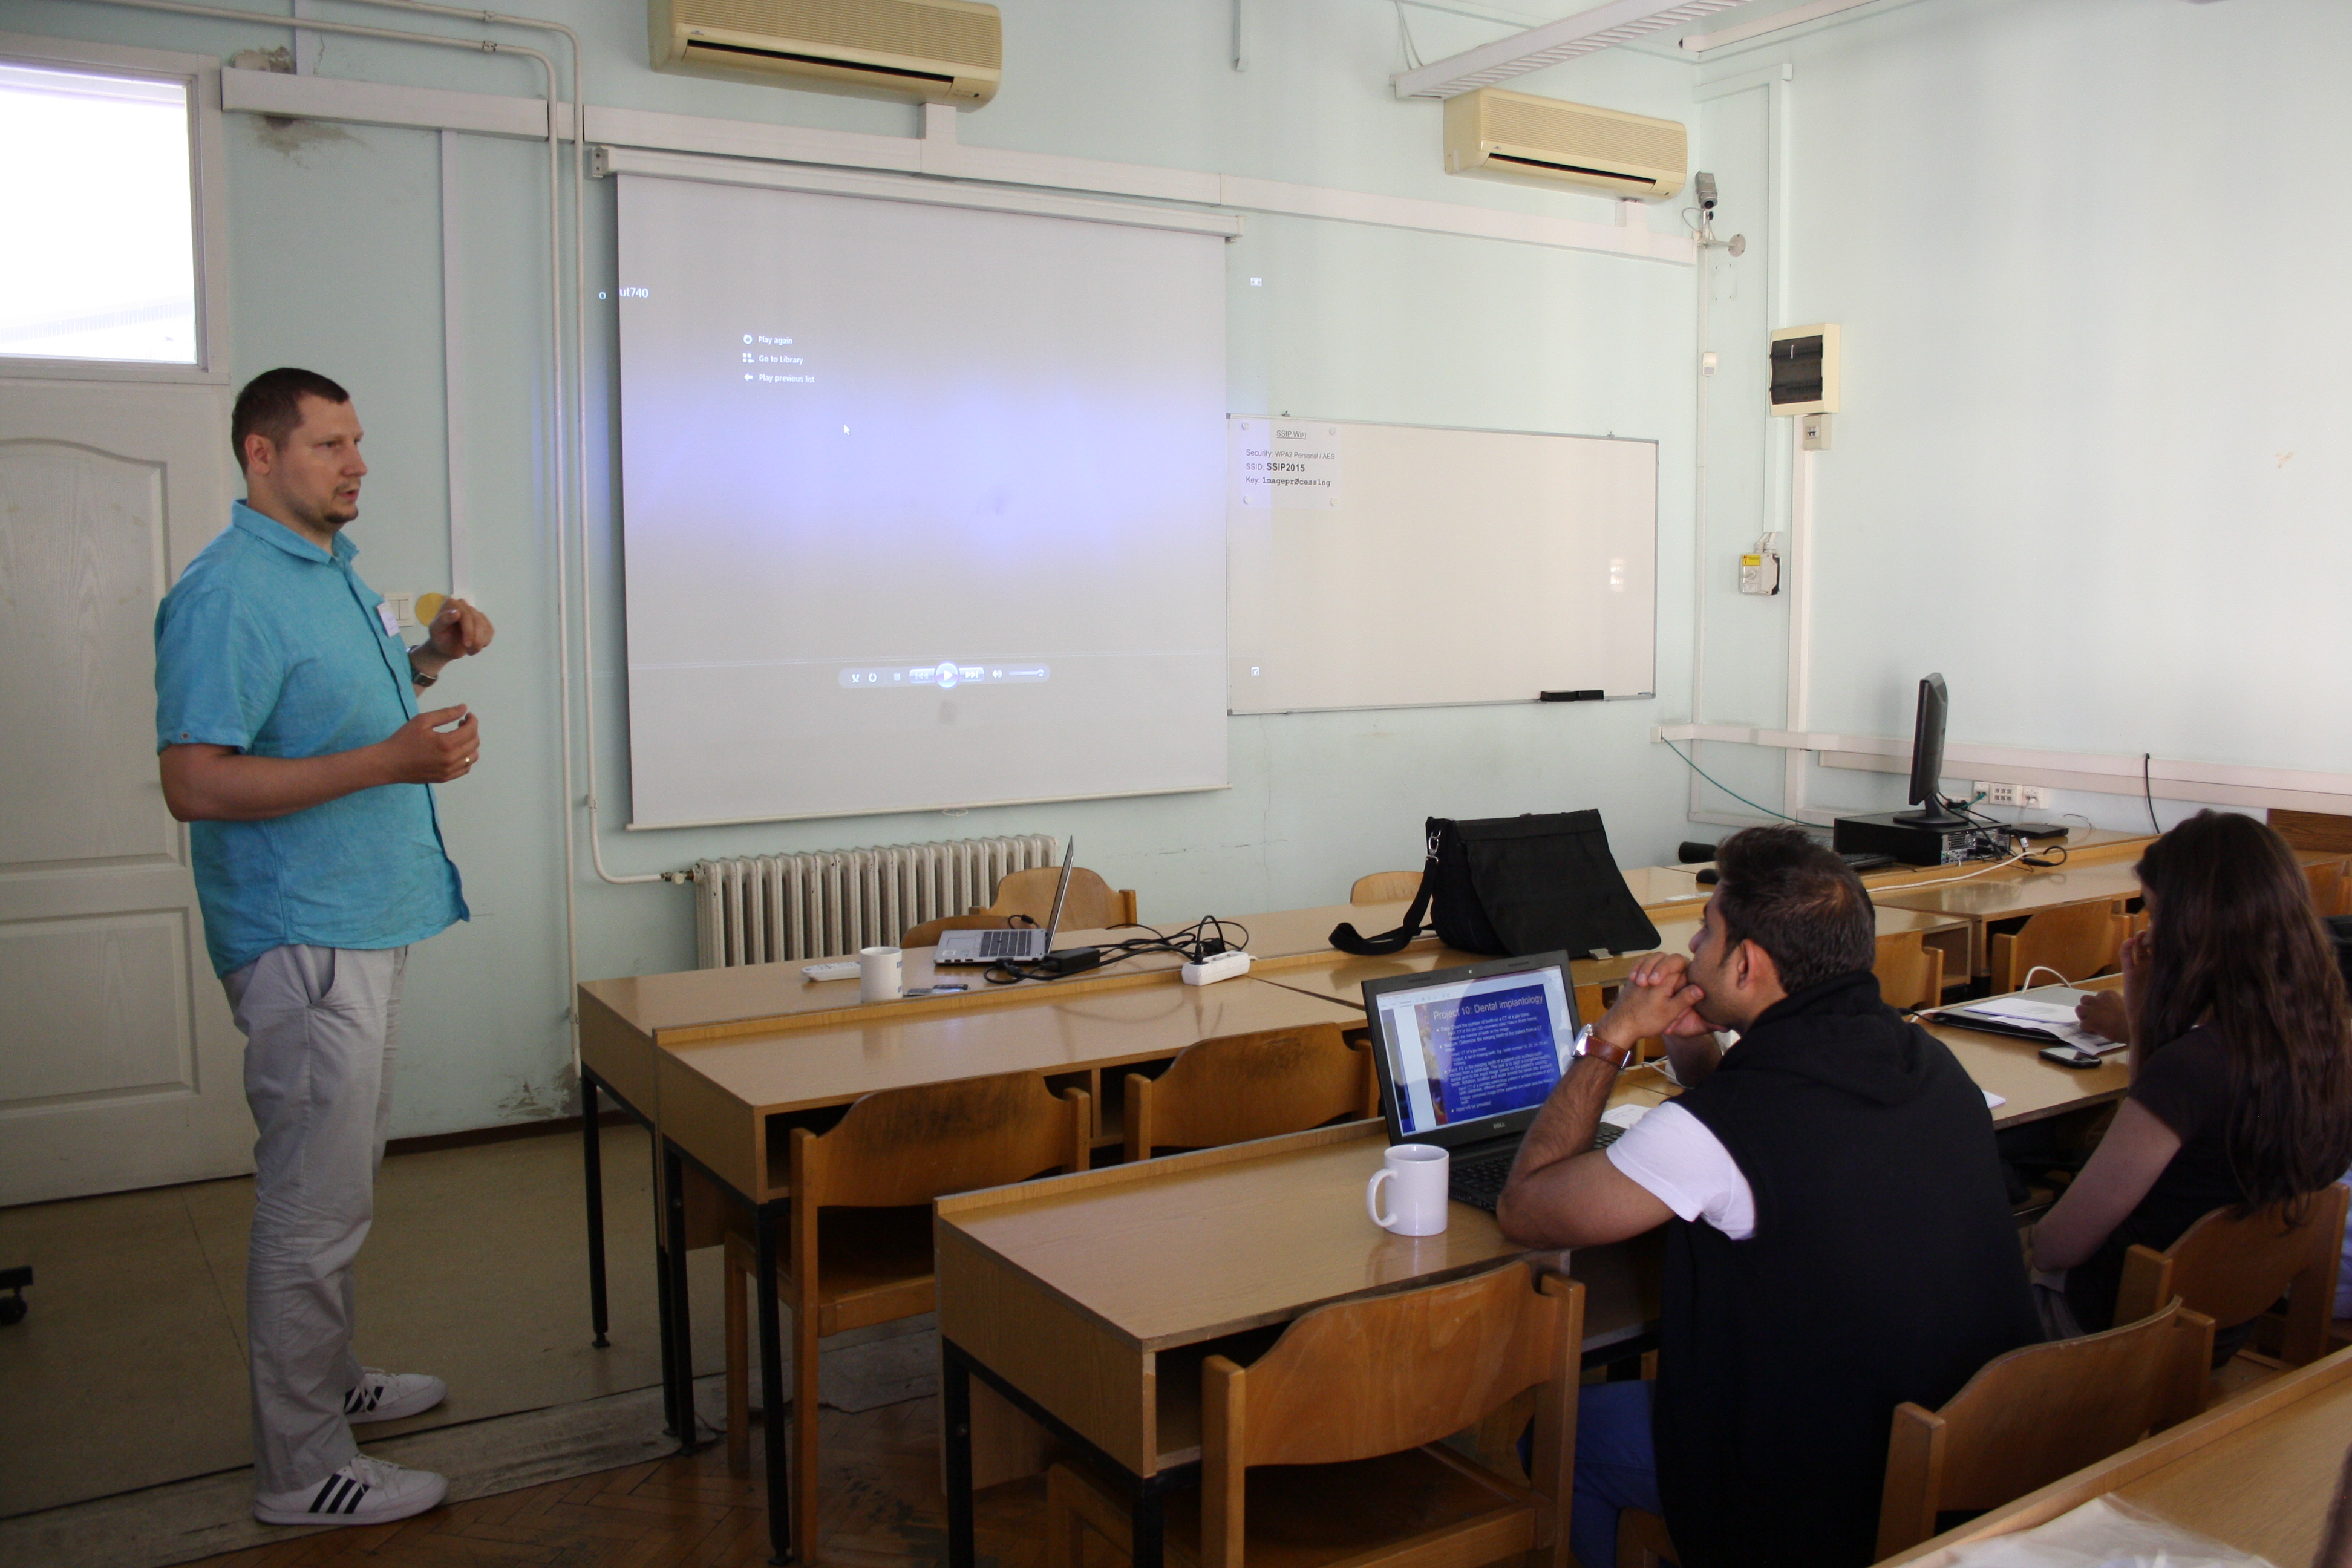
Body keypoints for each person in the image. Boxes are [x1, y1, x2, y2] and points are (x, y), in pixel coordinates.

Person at [1496, 825, 2039, 1568]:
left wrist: (1613, 1037)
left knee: (1563, 1437)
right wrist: (1690, 1041)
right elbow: (1767, 1126)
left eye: (1706, 931)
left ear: (1747, 964)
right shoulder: (1929, 1060)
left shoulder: (1719, 1130)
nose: (1692, 947)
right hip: (1977, 1449)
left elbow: (1527, 1208)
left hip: (1819, 1492)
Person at [153, 368, 495, 1527]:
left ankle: (329, 1378)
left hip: (362, 915)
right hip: (303, 934)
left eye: (357, 442)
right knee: (311, 1203)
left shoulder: (328, 570)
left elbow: (334, 710)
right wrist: (392, 762)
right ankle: (301, 1467)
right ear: (261, 455)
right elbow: (196, 781)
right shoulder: (226, 594)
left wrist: (429, 658)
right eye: (329, 445)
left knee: (338, 1183)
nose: (356, 464)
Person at [2030, 811, 2352, 1344]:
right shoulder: (2323, 1041)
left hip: (2110, 1339)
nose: (2149, 936)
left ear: (2195, 931)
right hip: (2216, 1327)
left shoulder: (2194, 1069)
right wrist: (2142, 1021)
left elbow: (2056, 1247)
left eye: (2156, 915)